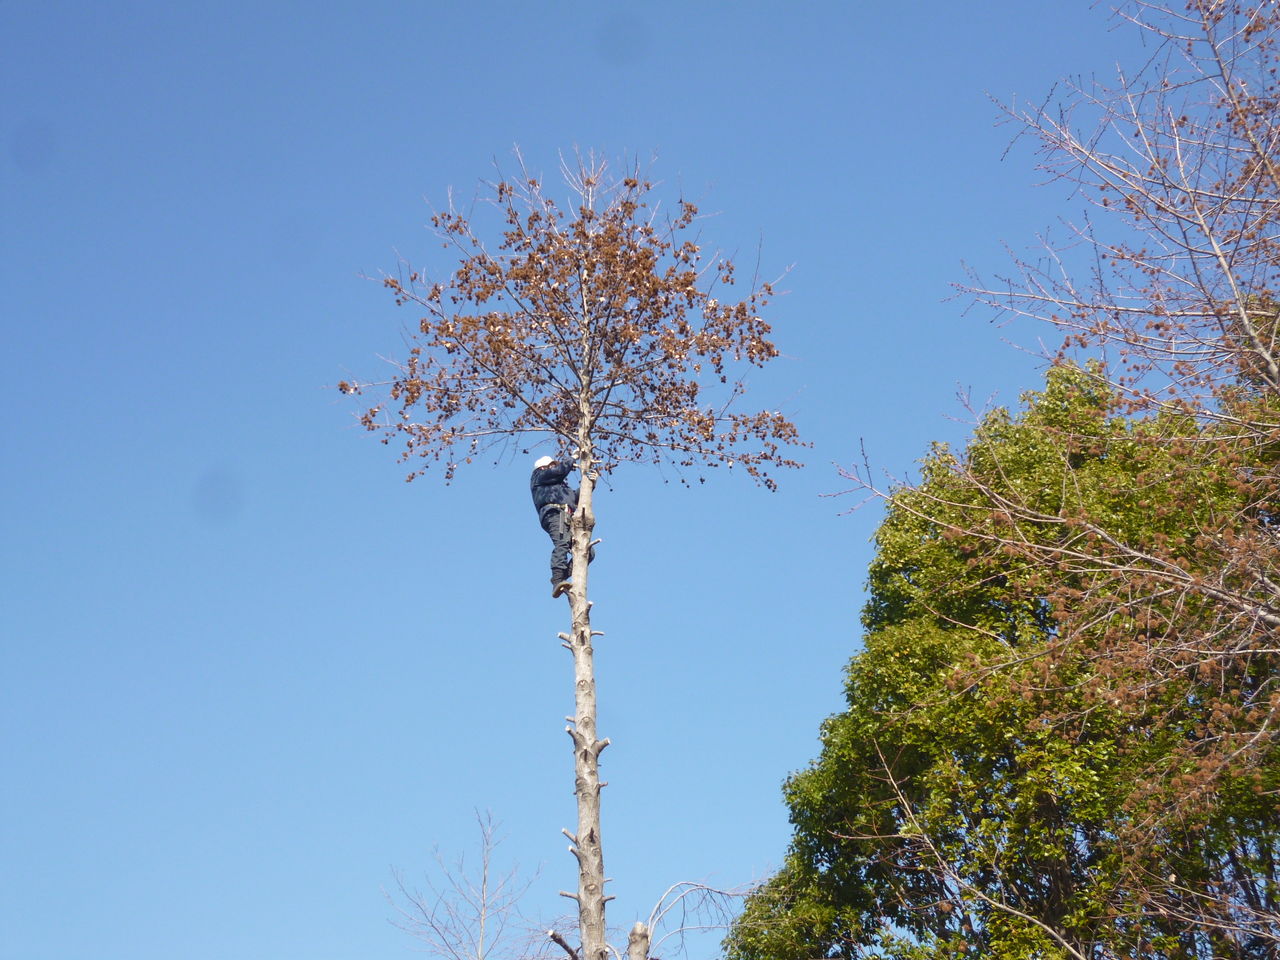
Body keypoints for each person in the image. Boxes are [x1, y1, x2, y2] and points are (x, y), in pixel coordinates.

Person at [530, 455, 595, 598]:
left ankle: (562, 576)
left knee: (588, 551)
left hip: (567, 517)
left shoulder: (560, 488)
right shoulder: (539, 477)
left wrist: (590, 483)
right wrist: (571, 458)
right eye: (551, 465)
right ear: (543, 467)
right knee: (562, 542)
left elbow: (576, 497)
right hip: (554, 514)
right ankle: (557, 579)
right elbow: (559, 471)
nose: (554, 467)